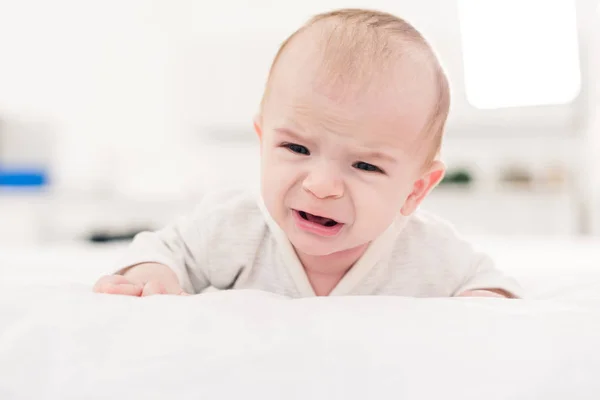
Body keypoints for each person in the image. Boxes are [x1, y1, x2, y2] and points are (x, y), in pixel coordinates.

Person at [94, 9, 522, 299]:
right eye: (296, 148)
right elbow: (165, 248)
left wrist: (482, 302)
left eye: (365, 165)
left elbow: (490, 286)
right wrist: (153, 276)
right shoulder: (236, 227)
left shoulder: (427, 252)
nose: (320, 185)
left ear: (415, 190)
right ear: (263, 140)